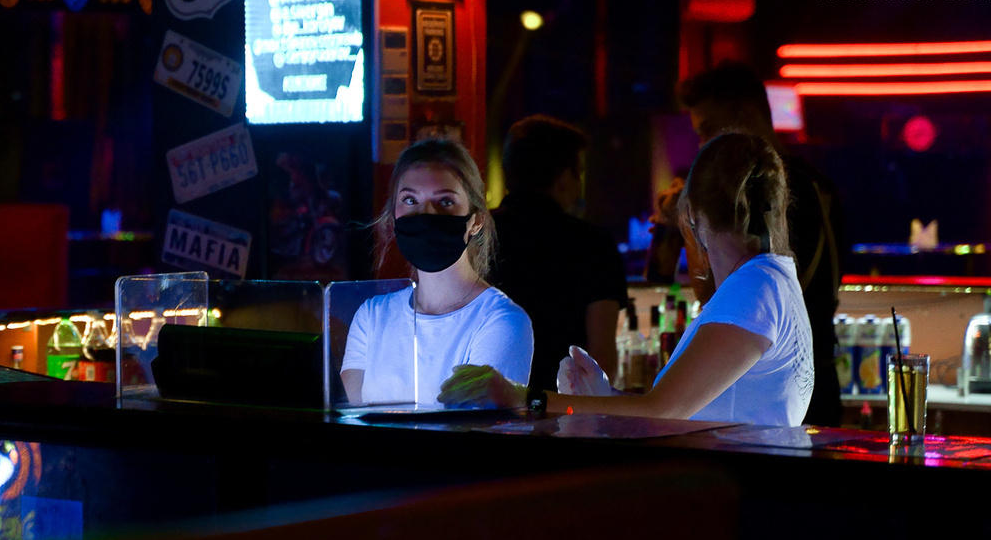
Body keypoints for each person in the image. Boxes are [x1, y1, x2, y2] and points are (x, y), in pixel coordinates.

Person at [440, 133, 814, 427]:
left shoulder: (753, 289)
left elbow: (662, 411)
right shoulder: (769, 279)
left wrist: (520, 398)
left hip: (728, 492)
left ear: (693, 215)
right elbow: (680, 409)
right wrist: (605, 397)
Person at [674, 61, 845, 426]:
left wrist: (693, 222)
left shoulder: (771, 193)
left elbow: (717, 295)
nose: (703, 146)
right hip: (806, 374)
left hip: (781, 384)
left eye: (710, 129)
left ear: (745, 116)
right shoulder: (811, 183)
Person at [341, 138, 533, 406]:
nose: (426, 213)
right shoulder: (371, 316)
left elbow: (475, 422)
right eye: (410, 200)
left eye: (445, 201)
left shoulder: (501, 321)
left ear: (476, 221)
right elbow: (353, 419)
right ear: (393, 216)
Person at [490, 115, 627, 390]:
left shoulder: (475, 235)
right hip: (564, 405)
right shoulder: (593, 243)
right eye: (579, 173)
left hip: (484, 401)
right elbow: (601, 361)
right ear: (564, 178)